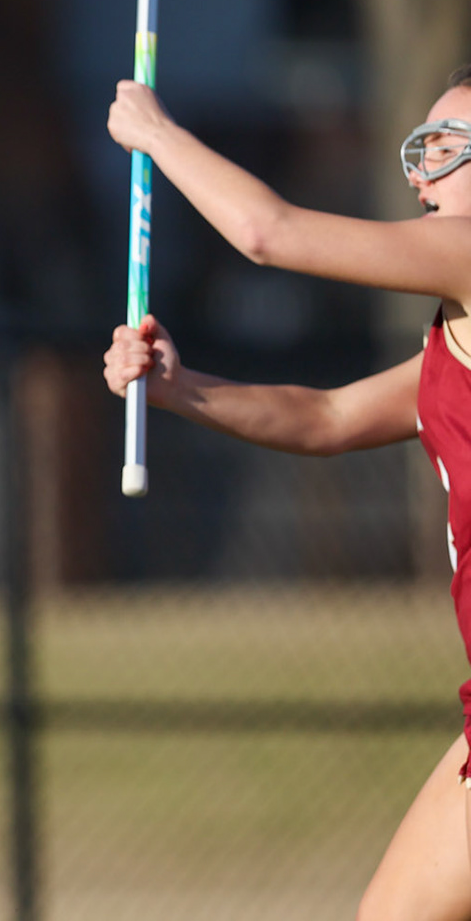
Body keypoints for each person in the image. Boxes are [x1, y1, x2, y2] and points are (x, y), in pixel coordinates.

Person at [103, 64, 471, 921]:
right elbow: (327, 417)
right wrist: (180, 388)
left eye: (447, 149)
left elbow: (268, 233)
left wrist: (157, 135)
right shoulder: (450, 343)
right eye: (419, 151)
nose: (421, 177)